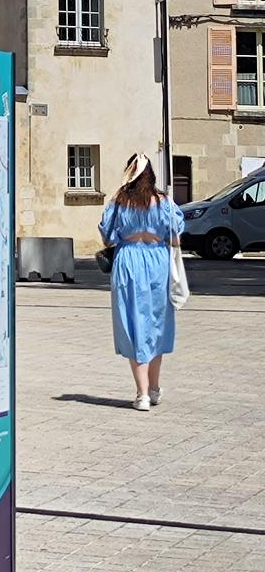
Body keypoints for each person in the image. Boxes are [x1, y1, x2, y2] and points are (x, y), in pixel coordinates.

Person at [99, 151, 184, 410]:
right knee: (156, 323)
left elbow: (107, 234)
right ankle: (154, 388)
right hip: (157, 261)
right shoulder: (164, 200)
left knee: (133, 323)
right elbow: (176, 231)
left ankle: (142, 393)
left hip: (129, 260)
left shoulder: (120, 201)